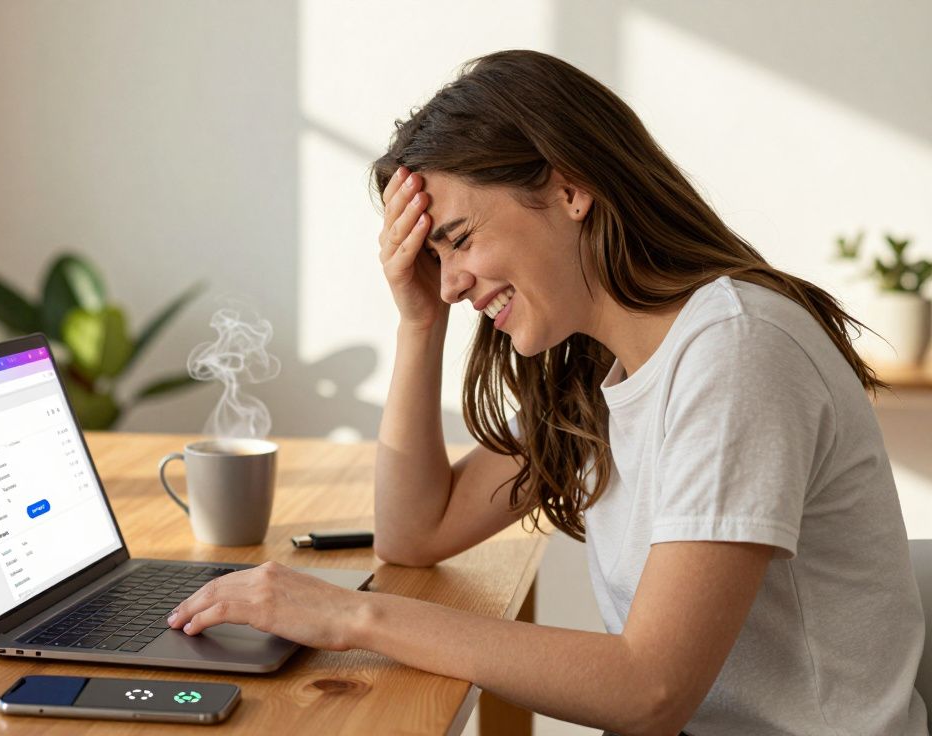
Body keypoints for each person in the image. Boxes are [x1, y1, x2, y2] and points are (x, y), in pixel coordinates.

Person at [166, 49, 928, 735]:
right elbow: (415, 532)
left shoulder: (735, 351)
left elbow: (650, 689)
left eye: (459, 239)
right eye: (435, 256)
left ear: (569, 188)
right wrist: (418, 321)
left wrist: (349, 614)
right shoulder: (602, 370)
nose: (453, 280)